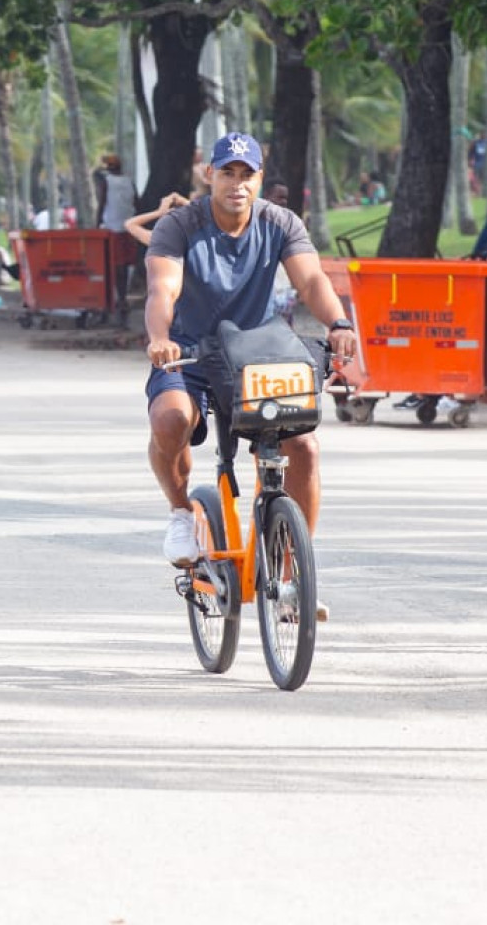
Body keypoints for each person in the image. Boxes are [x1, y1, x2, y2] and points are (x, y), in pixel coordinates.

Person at [144, 133, 357, 621]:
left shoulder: (279, 222)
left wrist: (338, 324)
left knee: (303, 446)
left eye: (247, 175)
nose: (237, 185)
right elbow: (163, 288)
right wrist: (160, 337)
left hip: (255, 357)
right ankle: (180, 512)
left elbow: (311, 281)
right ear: (209, 176)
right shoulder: (180, 225)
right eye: (228, 173)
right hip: (190, 355)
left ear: (259, 179)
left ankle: (289, 575)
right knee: (172, 418)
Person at [124, 192, 190, 248]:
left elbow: (129, 224)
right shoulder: (195, 237)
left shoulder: (161, 239)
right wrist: (186, 202)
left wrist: (159, 212)